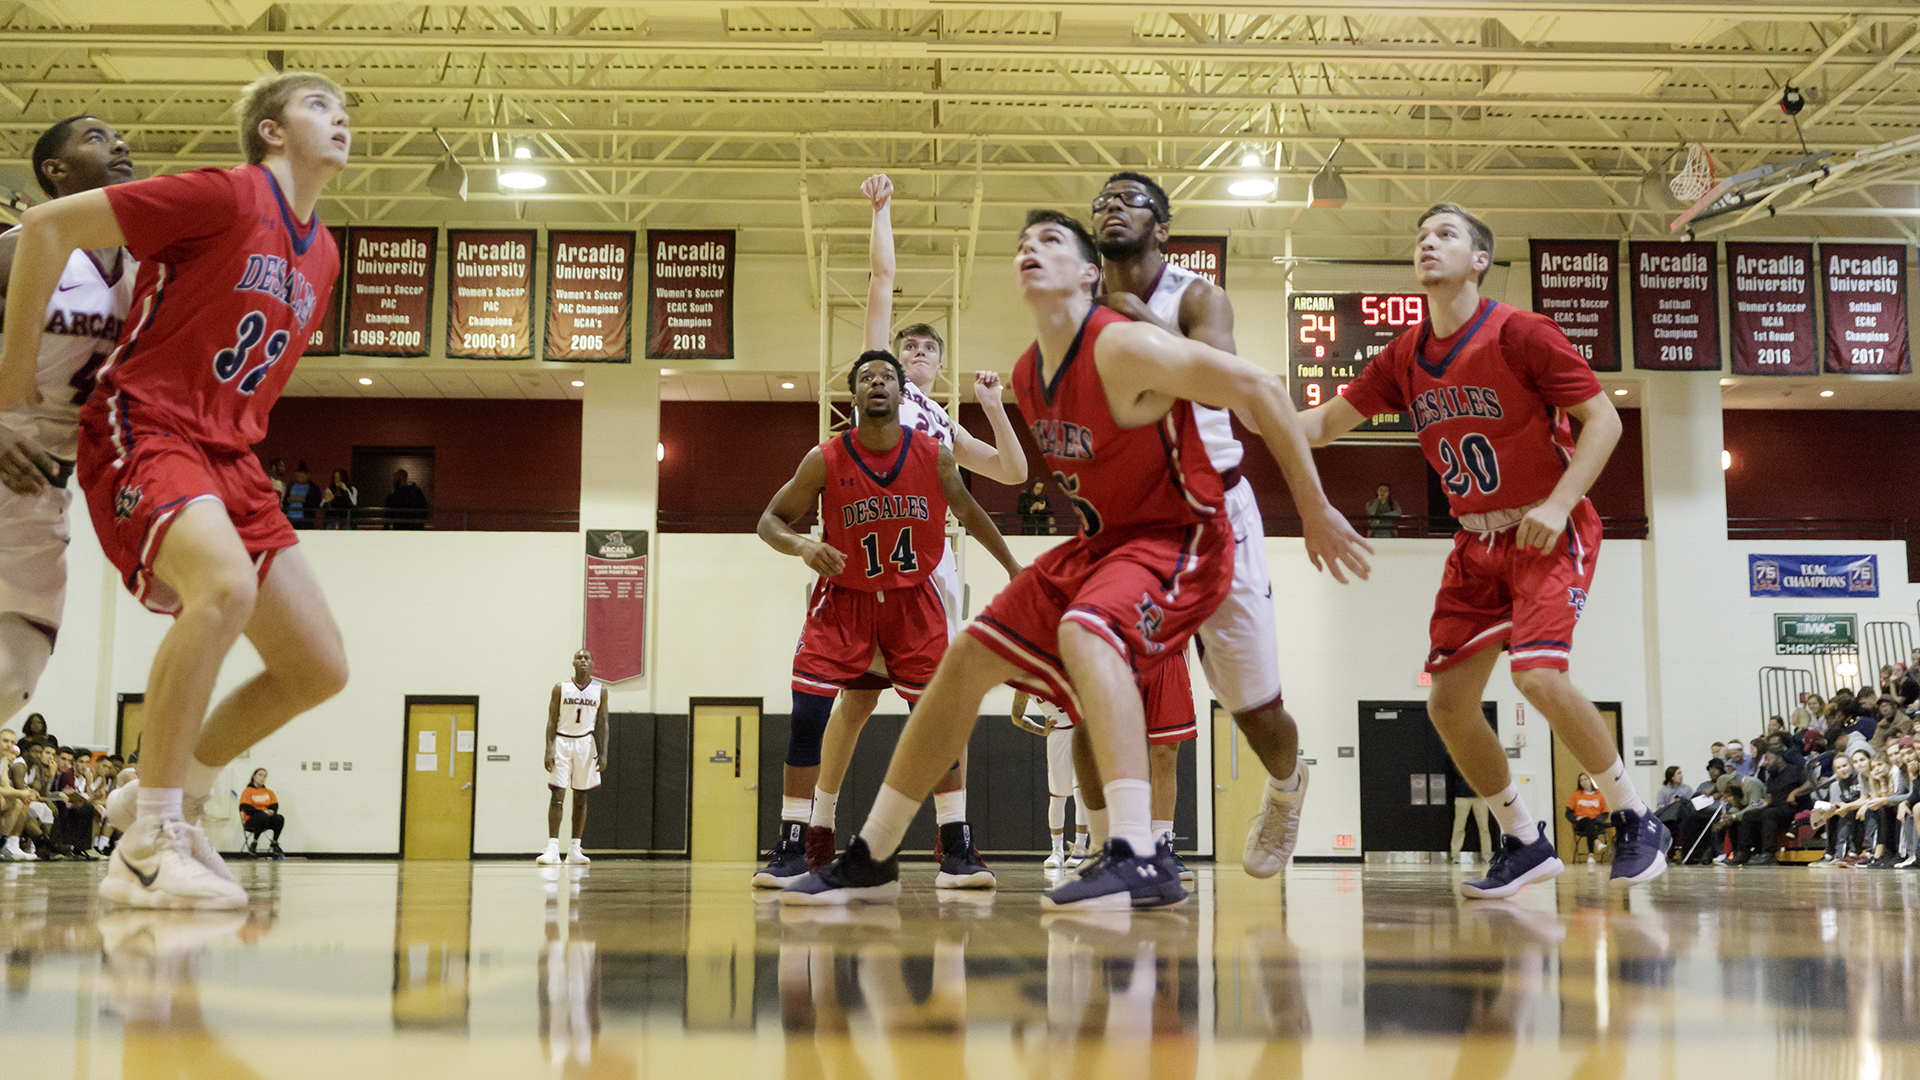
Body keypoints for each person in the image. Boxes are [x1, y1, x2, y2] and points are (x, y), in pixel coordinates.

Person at [782, 209, 1367, 909]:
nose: (1031, 245)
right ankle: (873, 852)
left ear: (1090, 274)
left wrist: (1315, 508)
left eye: (1052, 240)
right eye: (1023, 240)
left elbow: (1265, 390)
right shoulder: (1031, 374)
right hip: (1106, 546)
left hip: (1184, 536)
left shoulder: (1118, 346)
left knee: (1101, 639)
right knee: (968, 655)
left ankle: (1139, 853)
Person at [0, 71, 352, 908]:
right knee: (221, 587)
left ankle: (169, 796)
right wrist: (11, 400)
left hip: (229, 453)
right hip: (146, 426)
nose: (340, 119)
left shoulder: (325, 252)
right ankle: (149, 837)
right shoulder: (225, 193)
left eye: (345, 111)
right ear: (269, 130)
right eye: (317, 105)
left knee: (317, 668)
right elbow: (46, 226)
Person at [1297, 201, 1666, 899]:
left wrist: (1559, 505)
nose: (1427, 244)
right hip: (1477, 542)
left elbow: (1605, 421)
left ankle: (1637, 817)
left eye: (1445, 235)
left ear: (1479, 260)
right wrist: (1242, 410)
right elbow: (1322, 424)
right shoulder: (1403, 356)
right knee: (1447, 706)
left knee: (1536, 677)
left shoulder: (1521, 332)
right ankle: (1524, 840)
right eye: (1421, 235)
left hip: (1546, 527)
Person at [789, 174, 1031, 885]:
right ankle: (820, 825)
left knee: (937, 703)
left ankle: (952, 839)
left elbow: (1012, 474)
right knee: (856, 701)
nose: (916, 353)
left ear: (941, 365)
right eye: (908, 347)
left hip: (932, 568)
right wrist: (882, 210)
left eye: (928, 348)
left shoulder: (940, 423)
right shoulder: (882, 392)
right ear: (890, 361)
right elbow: (883, 278)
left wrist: (994, 405)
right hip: (868, 561)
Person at [1079, 170, 1317, 882]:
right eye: (1102, 203)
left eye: (1129, 201)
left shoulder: (1198, 297)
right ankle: (1117, 847)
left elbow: (1216, 375)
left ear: (1162, 228)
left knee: (1256, 713)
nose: (1111, 208)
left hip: (1219, 512)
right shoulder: (1082, 310)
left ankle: (1286, 786)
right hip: (1134, 521)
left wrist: (1131, 316)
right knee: (1097, 681)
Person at [751, 350, 1021, 889]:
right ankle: (792, 843)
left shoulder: (934, 453)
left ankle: (957, 845)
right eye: (867, 378)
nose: (878, 384)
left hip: (912, 603)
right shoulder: (824, 458)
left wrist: (1015, 568)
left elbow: (969, 512)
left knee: (938, 722)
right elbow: (769, 521)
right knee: (808, 717)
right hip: (844, 600)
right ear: (852, 395)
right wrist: (804, 546)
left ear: (903, 395)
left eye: (887, 378)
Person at [0, 115, 136, 730]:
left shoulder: (145, 271)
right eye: (97, 138)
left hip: (46, 486)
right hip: (6, 444)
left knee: (12, 678)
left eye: (119, 137)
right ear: (55, 171)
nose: (120, 145)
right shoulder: (16, 250)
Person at [538, 648, 608, 866]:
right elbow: (551, 719)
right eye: (579, 658)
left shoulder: (600, 690)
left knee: (581, 797)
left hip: (586, 743)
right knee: (557, 794)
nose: (583, 661)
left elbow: (603, 723)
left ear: (593, 663)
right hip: (562, 741)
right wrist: (549, 748)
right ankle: (552, 848)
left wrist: (604, 752)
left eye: (587, 658)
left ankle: (575, 849)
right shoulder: (561, 688)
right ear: (573, 663)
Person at [1729, 749, 1807, 866]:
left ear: (1779, 758)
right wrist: (1764, 802)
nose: (1765, 763)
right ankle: (1744, 852)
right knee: (1749, 814)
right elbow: (1769, 797)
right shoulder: (1772, 777)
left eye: (1768, 759)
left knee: (1769, 813)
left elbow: (1811, 783)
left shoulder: (1795, 770)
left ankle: (1769, 853)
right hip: (1774, 806)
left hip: (1791, 807)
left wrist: (1795, 792)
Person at [239, 767, 284, 857]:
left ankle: (274, 842)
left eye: (265, 776)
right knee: (262, 817)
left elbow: (274, 805)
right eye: (260, 775)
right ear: (254, 777)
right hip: (251, 820)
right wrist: (263, 812)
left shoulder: (269, 792)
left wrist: (271, 811)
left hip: (266, 819)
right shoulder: (247, 791)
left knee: (279, 818)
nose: (262, 778)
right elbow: (247, 808)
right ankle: (255, 841)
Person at [1564, 772, 1609, 862]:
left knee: (1590, 824)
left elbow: (1605, 814)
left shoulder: (1599, 796)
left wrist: (1597, 820)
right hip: (1581, 824)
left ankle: (1591, 855)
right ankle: (1597, 842)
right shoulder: (1575, 795)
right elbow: (1568, 813)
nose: (1583, 782)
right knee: (1587, 820)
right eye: (1581, 780)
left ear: (1590, 780)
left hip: (1595, 823)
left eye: (1585, 779)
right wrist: (1575, 818)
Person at [282, 460, 320, 528]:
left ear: (308, 475)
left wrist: (303, 499)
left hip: (305, 520)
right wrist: (289, 499)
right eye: (298, 475)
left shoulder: (313, 488)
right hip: (291, 518)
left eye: (302, 476)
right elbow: (285, 501)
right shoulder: (291, 486)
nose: (299, 478)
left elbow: (316, 503)